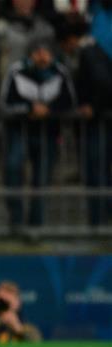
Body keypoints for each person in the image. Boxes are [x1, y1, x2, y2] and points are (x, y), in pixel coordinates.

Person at [0, 35, 76, 230]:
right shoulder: (17, 70)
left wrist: (49, 110)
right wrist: (28, 109)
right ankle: (16, 219)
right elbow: (5, 103)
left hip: (48, 133)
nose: (42, 56)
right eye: (37, 52)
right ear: (30, 54)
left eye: (46, 52)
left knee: (42, 179)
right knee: (13, 168)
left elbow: (70, 102)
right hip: (19, 131)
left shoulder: (60, 71)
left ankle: (36, 224)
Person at [76, 3, 112, 226]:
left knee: (97, 168)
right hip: (97, 116)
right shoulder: (95, 16)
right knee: (95, 169)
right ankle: (97, 221)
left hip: (100, 111)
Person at [0, 0, 56, 80]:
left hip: (39, 82)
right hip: (9, 80)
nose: (24, 2)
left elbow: (53, 57)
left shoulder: (44, 28)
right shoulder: (0, 27)